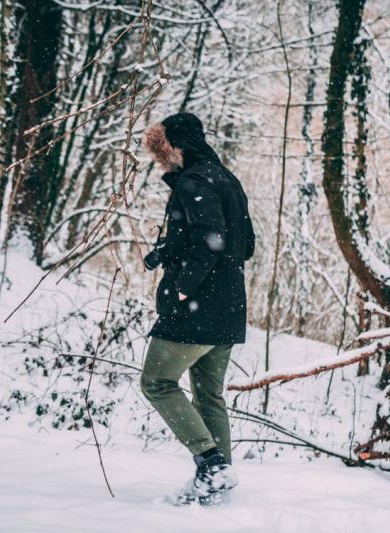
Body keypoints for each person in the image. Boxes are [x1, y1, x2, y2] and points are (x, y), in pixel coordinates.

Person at [139, 112, 255, 505]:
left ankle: (211, 464)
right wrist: (167, 251)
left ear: (176, 144)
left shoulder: (193, 181)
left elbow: (209, 240)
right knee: (209, 396)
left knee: (156, 382)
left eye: (163, 149)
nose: (162, 159)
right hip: (230, 307)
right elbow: (245, 245)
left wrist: (181, 291)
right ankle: (218, 483)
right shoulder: (227, 180)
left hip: (197, 308)